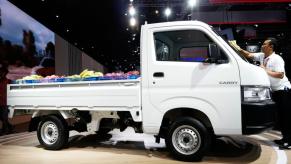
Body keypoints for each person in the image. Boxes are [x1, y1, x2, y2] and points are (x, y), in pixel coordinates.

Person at [229, 38, 291, 149]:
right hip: (274, 91)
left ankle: (289, 142)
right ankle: (285, 139)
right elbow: (248, 54)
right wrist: (237, 47)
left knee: (286, 117)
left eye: (264, 44)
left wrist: (264, 70)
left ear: (271, 46)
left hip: (283, 90)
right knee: (280, 117)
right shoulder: (262, 56)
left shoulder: (277, 58)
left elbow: (280, 75)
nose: (262, 45)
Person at [0, 63, 14, 135]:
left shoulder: (8, 81)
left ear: (5, 73)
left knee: (4, 117)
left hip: (5, 102)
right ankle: (10, 127)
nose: (1, 74)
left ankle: (4, 130)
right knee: (1, 117)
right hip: (0, 101)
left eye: (2, 72)